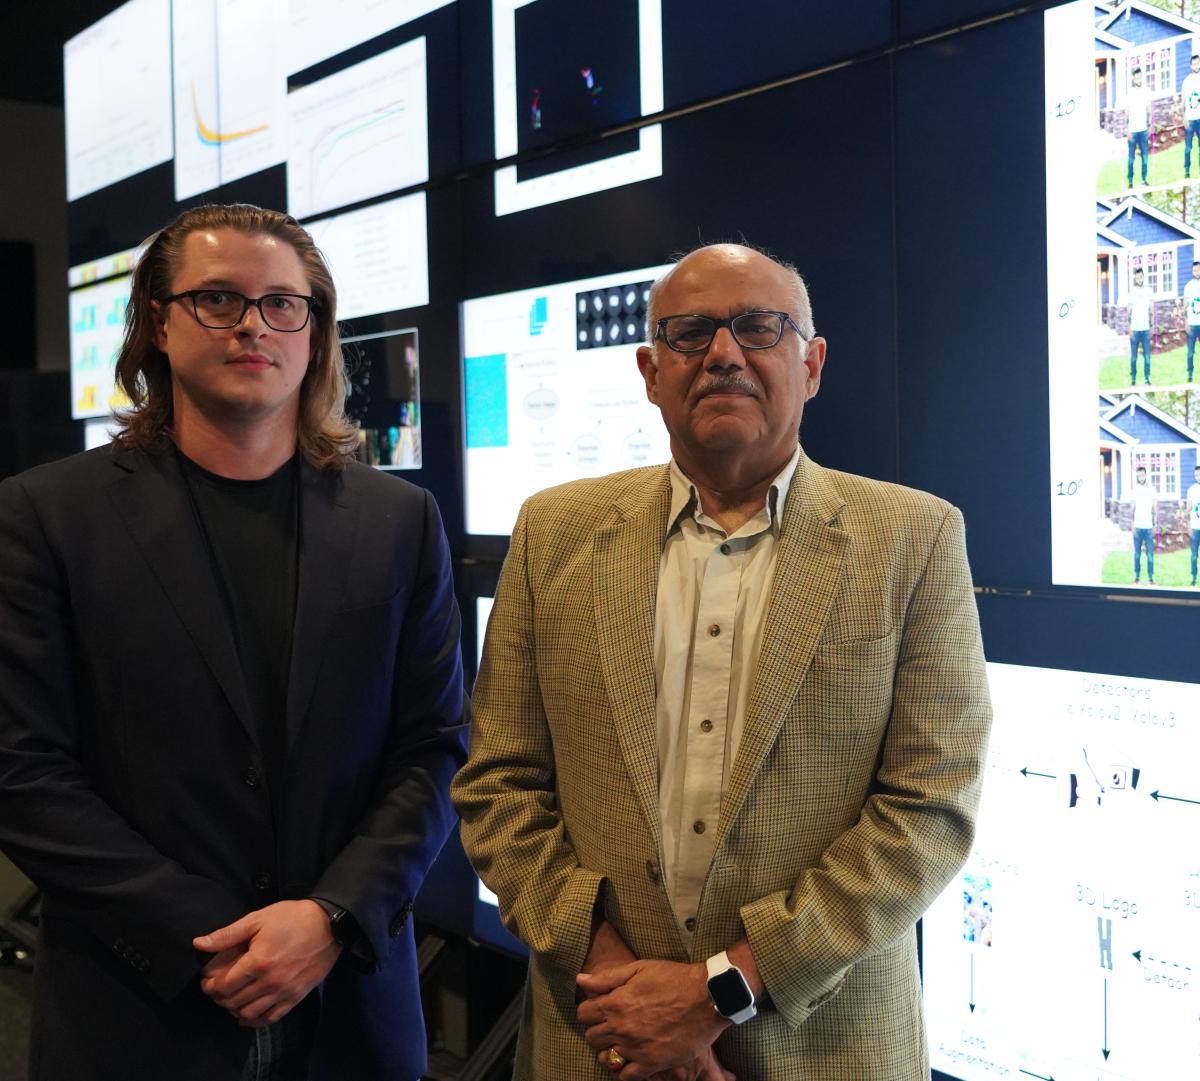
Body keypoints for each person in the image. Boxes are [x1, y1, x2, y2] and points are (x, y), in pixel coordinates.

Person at [452, 243, 992, 1080]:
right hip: (600, 1038)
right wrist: (620, 990)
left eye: (758, 327)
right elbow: (498, 786)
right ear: (649, 369)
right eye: (690, 331)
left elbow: (929, 809)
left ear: (811, 364)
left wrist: (718, 992)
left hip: (826, 1049)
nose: (724, 353)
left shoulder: (914, 539)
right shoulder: (552, 534)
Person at [0, 204, 466, 1081]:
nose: (255, 324)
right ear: (158, 324)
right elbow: (20, 771)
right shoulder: (44, 517)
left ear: (315, 332)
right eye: (219, 299)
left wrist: (330, 917)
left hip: (351, 1012)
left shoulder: (400, 521)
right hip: (141, 1015)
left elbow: (434, 746)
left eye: (284, 303)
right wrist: (205, 937)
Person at [1130, 464, 1157, 584]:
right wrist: (1132, 524)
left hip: (1149, 527)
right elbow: (1132, 508)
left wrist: (1155, 524)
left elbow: (1155, 508)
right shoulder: (1135, 489)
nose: (1140, 477)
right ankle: (1137, 577)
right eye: (1138, 476)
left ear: (1145, 475)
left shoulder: (1152, 489)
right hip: (1138, 526)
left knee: (1150, 555)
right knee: (1137, 554)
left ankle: (1150, 578)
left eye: (1142, 475)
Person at [1127, 66, 1151, 189]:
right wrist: (1127, 129)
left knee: (1145, 158)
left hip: (1143, 130)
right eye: (1136, 78)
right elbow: (1127, 112)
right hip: (1133, 130)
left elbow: (1149, 109)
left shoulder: (1146, 91)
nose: (1138, 80)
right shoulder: (1130, 93)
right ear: (1133, 79)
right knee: (1131, 159)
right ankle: (1130, 182)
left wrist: (1149, 125)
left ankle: (1144, 180)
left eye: (1140, 77)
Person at [1128, 267, 1152, 384]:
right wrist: (1129, 327)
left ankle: (1147, 379)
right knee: (1133, 358)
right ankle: (1133, 379)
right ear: (1135, 279)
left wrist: (1151, 326)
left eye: (1141, 277)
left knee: (1147, 358)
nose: (1139, 279)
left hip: (1146, 329)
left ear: (1143, 277)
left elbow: (1151, 309)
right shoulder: (1132, 292)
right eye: (1137, 278)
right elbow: (1129, 310)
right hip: (1135, 329)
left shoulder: (1149, 291)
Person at [1182, 54, 1200, 179]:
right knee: (1188, 147)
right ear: (1190, 66)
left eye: (1198, 63)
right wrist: (1184, 117)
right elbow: (1183, 100)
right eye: (1194, 64)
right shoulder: (1187, 81)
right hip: (1190, 117)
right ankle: (1187, 170)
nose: (1196, 66)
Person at [1186, 262, 1200, 382]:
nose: (1197, 272)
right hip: (1192, 323)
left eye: (1198, 270)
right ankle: (1190, 374)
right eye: (1195, 270)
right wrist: (1186, 323)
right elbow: (1185, 306)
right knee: (1190, 352)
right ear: (1192, 272)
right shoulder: (1188, 286)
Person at [1186, 464, 1200, 586]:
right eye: (1196, 475)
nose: (1197, 476)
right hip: (1195, 528)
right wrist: (1188, 525)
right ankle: (1194, 577)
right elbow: (1188, 509)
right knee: (1194, 555)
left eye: (1199, 474)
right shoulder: (1191, 490)